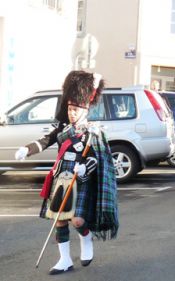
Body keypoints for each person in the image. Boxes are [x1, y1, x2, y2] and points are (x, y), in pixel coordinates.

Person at [14, 71, 119, 275]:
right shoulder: (63, 127)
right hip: (61, 177)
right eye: (70, 109)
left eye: (75, 109)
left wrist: (85, 167)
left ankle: (86, 237)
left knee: (77, 221)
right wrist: (26, 149)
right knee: (59, 219)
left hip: (81, 180)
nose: (71, 113)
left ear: (85, 109)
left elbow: (98, 159)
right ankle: (64, 260)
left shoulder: (92, 131)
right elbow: (46, 140)